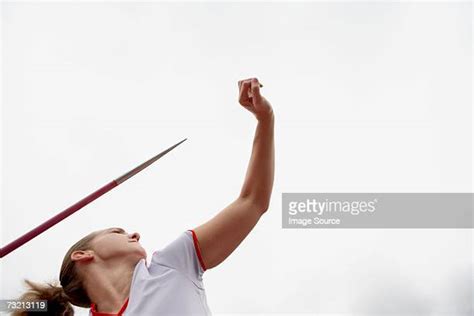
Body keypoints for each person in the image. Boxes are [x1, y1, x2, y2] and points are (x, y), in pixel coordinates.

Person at [13, 77, 275, 315]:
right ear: (83, 255)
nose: (135, 234)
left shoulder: (172, 265)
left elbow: (252, 202)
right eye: (117, 231)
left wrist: (265, 119)